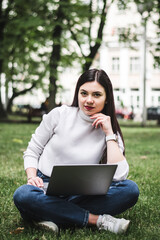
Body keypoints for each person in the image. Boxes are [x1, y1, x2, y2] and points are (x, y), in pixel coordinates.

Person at [13, 69, 139, 234]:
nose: (88, 100)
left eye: (96, 95)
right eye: (84, 93)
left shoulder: (110, 131)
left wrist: (109, 134)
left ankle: (47, 214)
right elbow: (32, 151)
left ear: (107, 98)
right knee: (23, 195)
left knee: (130, 189)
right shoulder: (59, 115)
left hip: (82, 193)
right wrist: (32, 176)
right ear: (77, 93)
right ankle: (97, 220)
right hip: (45, 188)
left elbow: (119, 176)